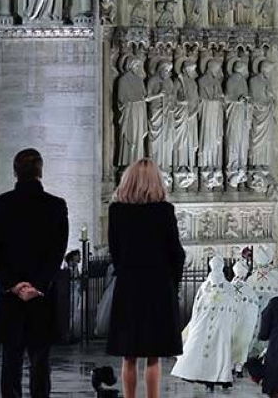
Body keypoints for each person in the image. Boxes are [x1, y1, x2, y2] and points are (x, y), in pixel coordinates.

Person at [0, 149, 69, 398]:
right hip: (41, 296)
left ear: (15, 172)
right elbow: (57, 251)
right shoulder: (55, 206)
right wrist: (38, 285)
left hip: (11, 295)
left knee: (11, 360)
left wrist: (12, 283)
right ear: (40, 172)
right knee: (40, 362)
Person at [106, 158, 185, 398]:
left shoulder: (117, 211)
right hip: (158, 286)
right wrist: (174, 282)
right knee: (154, 354)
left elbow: (114, 250)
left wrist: (126, 270)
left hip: (129, 286)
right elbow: (176, 253)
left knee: (128, 355)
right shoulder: (164, 211)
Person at [171, 256, 238, 390]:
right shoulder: (228, 287)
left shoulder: (205, 285)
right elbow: (234, 308)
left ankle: (205, 376)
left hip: (204, 322)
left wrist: (195, 322)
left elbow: (196, 307)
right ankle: (218, 378)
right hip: (221, 324)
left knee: (202, 347)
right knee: (219, 350)